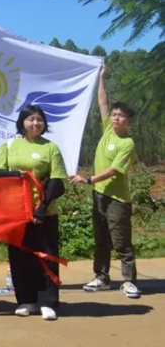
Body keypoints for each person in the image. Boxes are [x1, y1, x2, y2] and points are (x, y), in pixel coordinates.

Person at [71, 66, 140, 299]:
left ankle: (129, 281)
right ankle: (101, 277)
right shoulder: (107, 130)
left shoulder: (127, 143)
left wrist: (89, 179)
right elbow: (102, 101)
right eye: (114, 114)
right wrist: (100, 78)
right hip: (99, 195)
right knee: (101, 240)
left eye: (121, 116)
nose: (116, 117)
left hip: (117, 199)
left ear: (128, 121)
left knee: (121, 242)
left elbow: (113, 171)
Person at [0, 106, 67, 321]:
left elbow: (57, 181)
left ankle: (47, 302)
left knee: (46, 255)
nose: (35, 123)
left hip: (44, 213)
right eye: (31, 119)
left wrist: (42, 207)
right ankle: (26, 300)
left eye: (39, 119)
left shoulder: (50, 148)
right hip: (17, 212)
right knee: (20, 256)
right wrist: (16, 175)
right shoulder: (9, 145)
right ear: (22, 123)